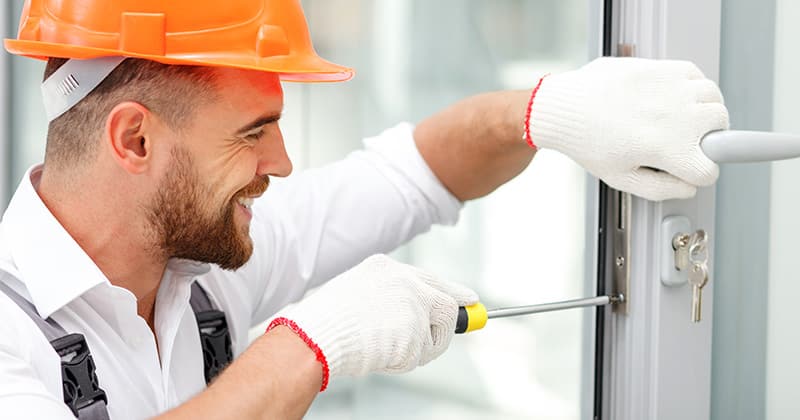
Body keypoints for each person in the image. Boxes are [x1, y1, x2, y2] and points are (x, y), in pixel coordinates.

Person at [0, 1, 728, 419]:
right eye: (253, 132)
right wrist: (307, 347)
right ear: (134, 138)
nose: (280, 163)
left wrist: (542, 113)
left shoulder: (203, 269)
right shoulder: (10, 332)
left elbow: (411, 173)